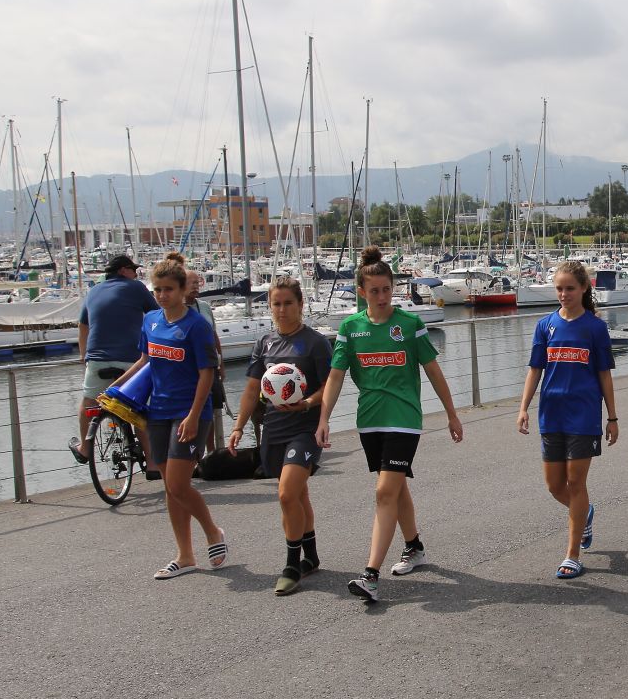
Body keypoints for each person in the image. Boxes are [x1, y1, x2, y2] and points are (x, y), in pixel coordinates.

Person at [316, 247, 464, 604]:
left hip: (405, 418)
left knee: (384, 492)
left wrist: (451, 413)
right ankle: (414, 547)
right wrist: (323, 418)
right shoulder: (350, 329)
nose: (382, 297)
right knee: (395, 488)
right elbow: (336, 377)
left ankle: (370, 575)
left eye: (387, 289)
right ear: (361, 292)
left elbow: (432, 370)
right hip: (369, 420)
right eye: (374, 290)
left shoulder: (409, 325)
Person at [111, 252, 226, 579]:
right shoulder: (151, 321)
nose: (162, 295)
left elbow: (207, 373)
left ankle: (213, 532)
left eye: (168, 289)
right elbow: (145, 360)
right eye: (157, 289)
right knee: (170, 486)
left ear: (181, 291)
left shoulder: (196, 326)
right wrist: (117, 387)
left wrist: (193, 416)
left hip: (189, 412)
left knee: (178, 482)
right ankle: (185, 555)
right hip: (156, 412)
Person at [228, 276, 333, 596]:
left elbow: (329, 385)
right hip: (273, 430)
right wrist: (237, 427)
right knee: (298, 496)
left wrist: (310, 404)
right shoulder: (265, 343)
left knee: (287, 494)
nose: (282, 309)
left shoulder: (315, 342)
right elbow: (251, 389)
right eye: (276, 303)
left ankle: (292, 565)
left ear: (301, 305)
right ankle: (312, 556)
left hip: (305, 430)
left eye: (289, 303)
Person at [517, 261, 619, 580]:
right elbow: (535, 369)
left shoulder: (595, 327)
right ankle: (585, 513)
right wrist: (523, 408)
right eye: (559, 288)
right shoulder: (545, 325)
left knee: (576, 483)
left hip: (584, 415)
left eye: (569, 288)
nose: (563, 294)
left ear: (584, 288)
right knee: (554, 486)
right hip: (551, 413)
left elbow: (604, 374)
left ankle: (572, 554)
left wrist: (612, 417)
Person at [71, 254, 158, 473]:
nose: (136, 274)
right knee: (139, 408)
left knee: (89, 401)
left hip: (97, 360)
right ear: (123, 271)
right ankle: (153, 464)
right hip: (132, 361)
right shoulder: (135, 288)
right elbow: (157, 316)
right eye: (134, 270)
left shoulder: (93, 291)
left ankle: (84, 448)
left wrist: (84, 356)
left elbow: (83, 325)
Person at [185, 272, 226, 455]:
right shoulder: (177, 309)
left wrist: (221, 364)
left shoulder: (204, 307)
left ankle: (211, 453)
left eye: (197, 283)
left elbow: (214, 335)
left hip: (209, 368)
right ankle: (194, 454)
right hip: (190, 371)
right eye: (191, 283)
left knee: (210, 409)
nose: (195, 286)